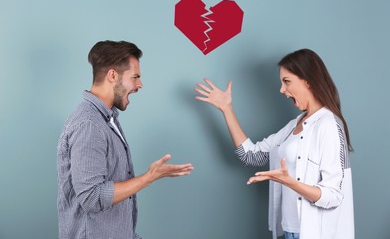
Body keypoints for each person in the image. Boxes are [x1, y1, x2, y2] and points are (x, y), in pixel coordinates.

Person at [194, 48, 354, 239]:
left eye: (287, 81)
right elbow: (251, 156)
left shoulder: (328, 124)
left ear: (308, 81)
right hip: (290, 231)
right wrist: (226, 109)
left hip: (315, 233)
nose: (281, 90)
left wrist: (290, 182)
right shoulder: (293, 126)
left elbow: (333, 196)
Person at [57, 40, 194, 239]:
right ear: (113, 76)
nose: (140, 85)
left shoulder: (106, 118)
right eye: (135, 77)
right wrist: (149, 177)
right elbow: (92, 197)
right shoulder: (89, 124)